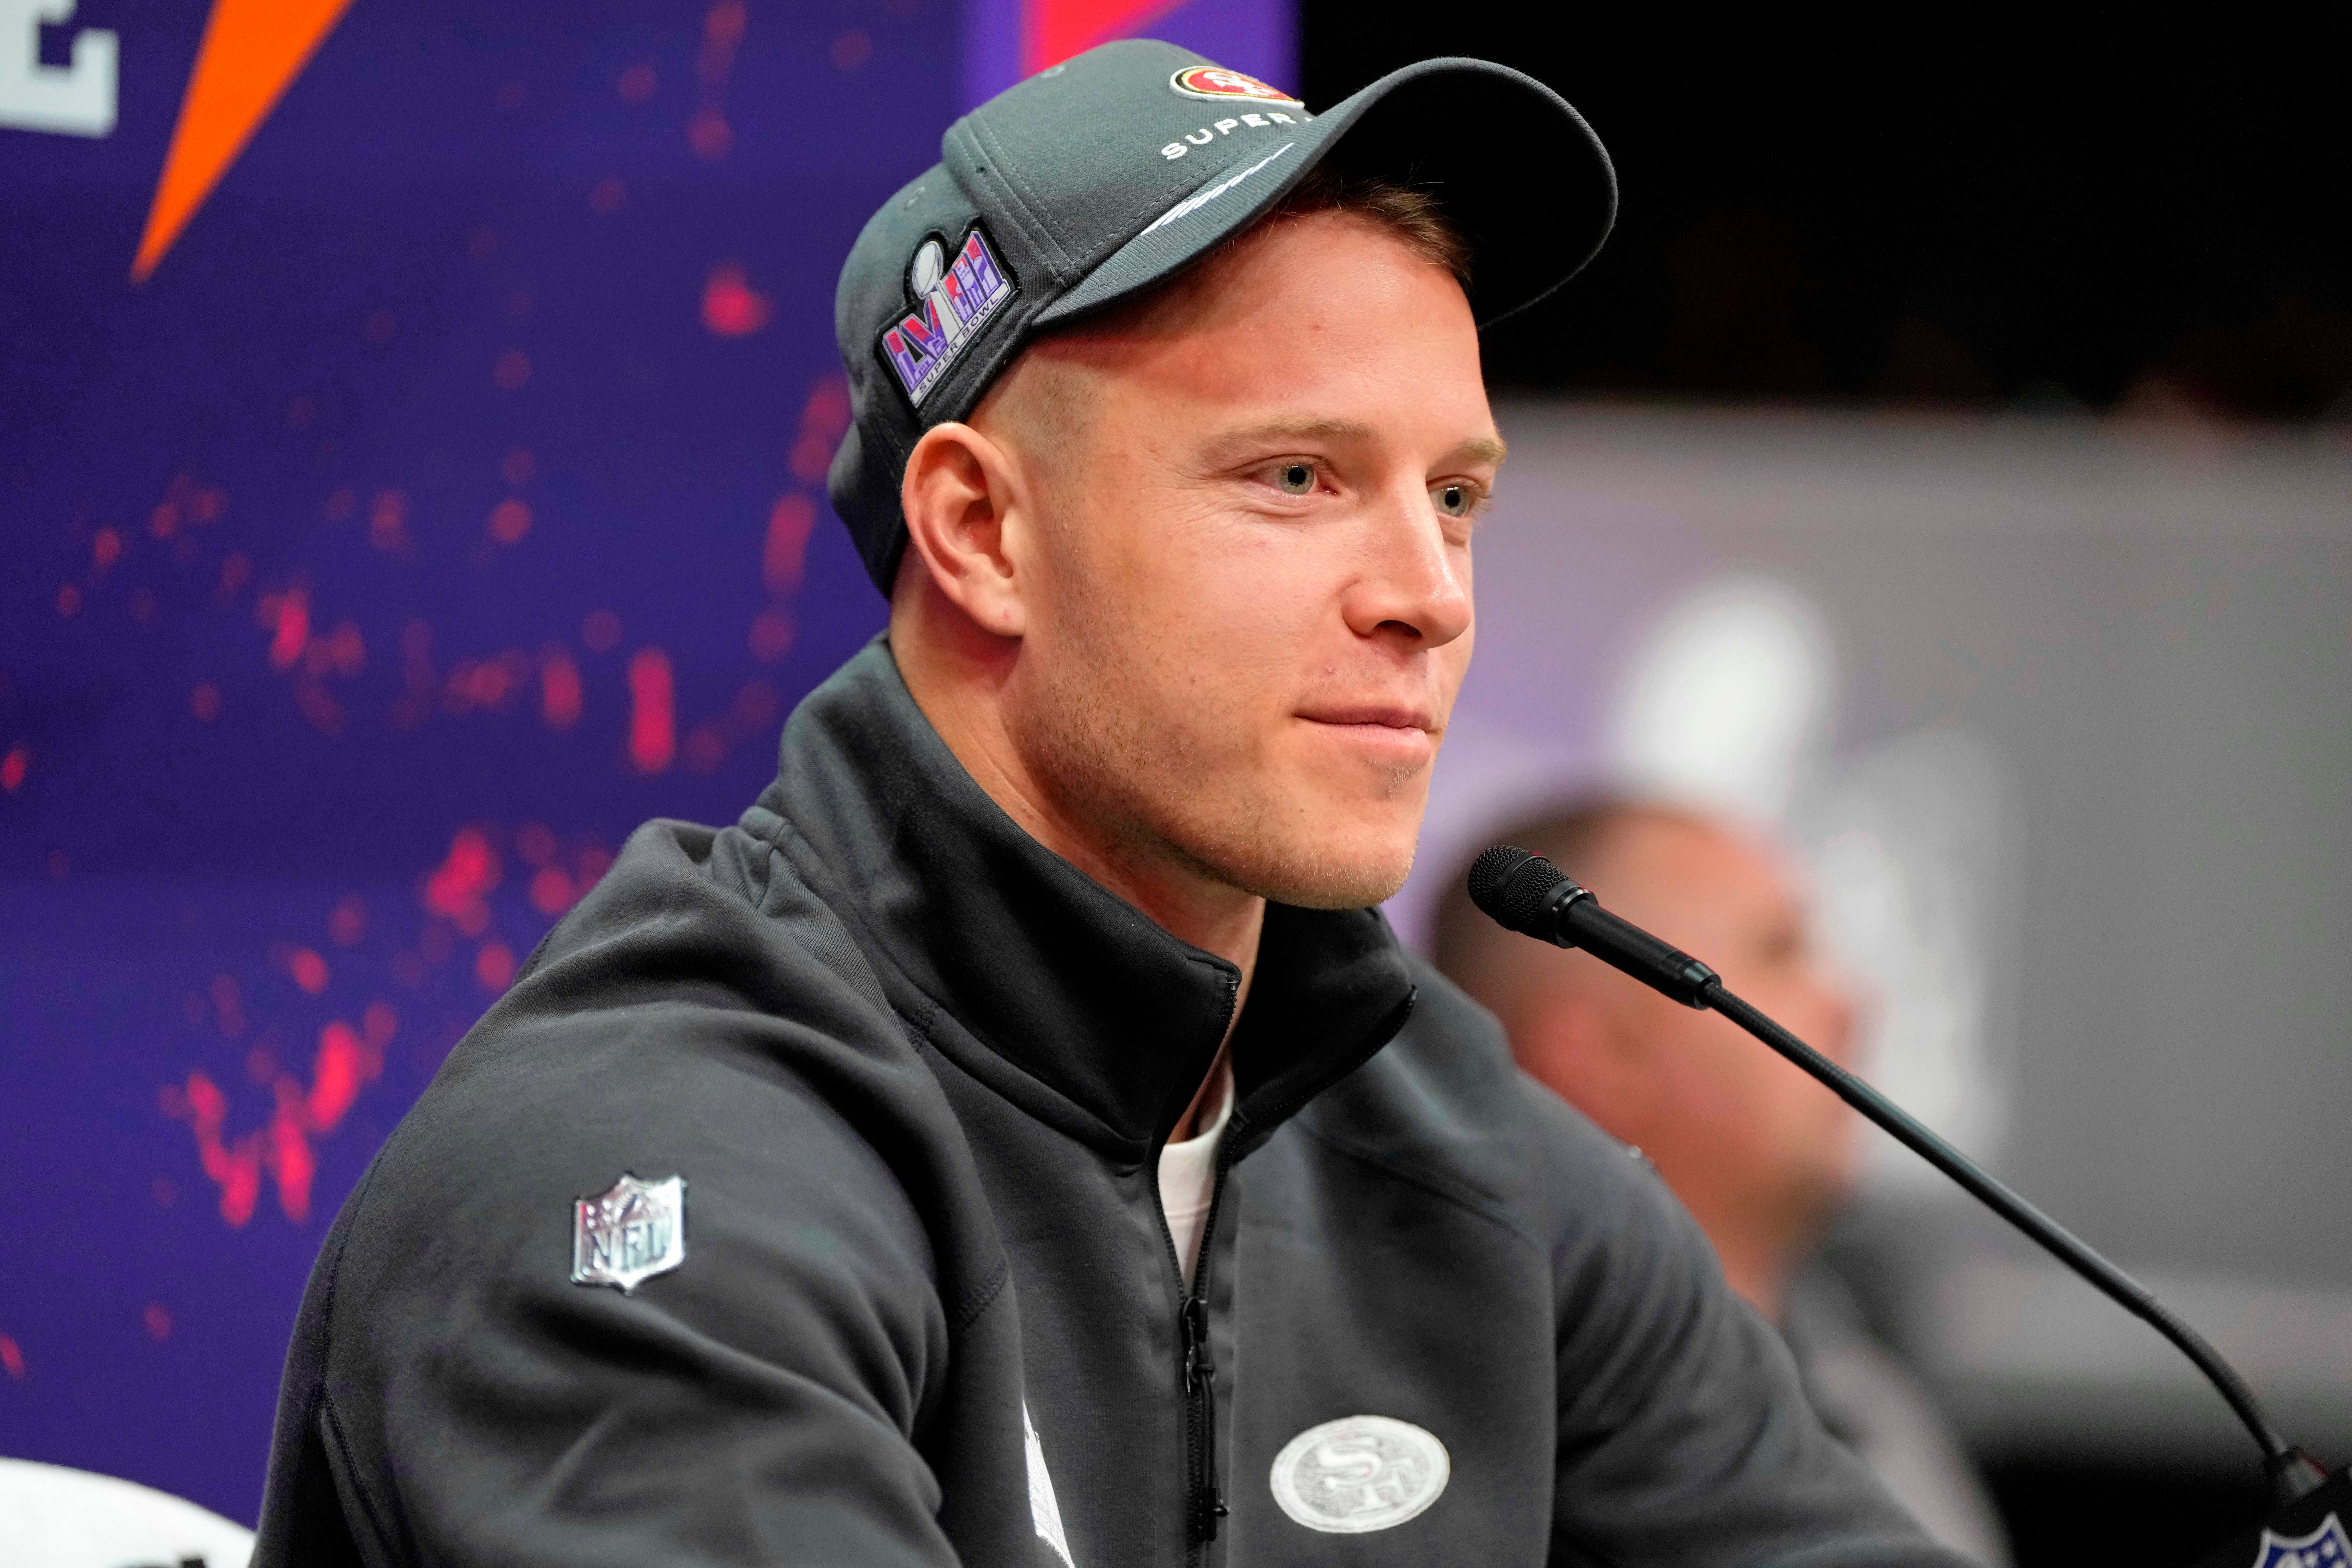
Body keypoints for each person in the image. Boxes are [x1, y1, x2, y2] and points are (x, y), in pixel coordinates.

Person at [251, 41, 1967, 1567]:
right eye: (1298, 476)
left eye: (1454, 496)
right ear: (982, 534)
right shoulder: (648, 1162)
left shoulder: (1469, 1157)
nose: (1429, 594)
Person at [1432, 797, 2013, 1565]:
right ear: (1599, 1054)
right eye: (1781, 952)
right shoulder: (1491, 1440)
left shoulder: (1864, 1383)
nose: (1852, 1005)